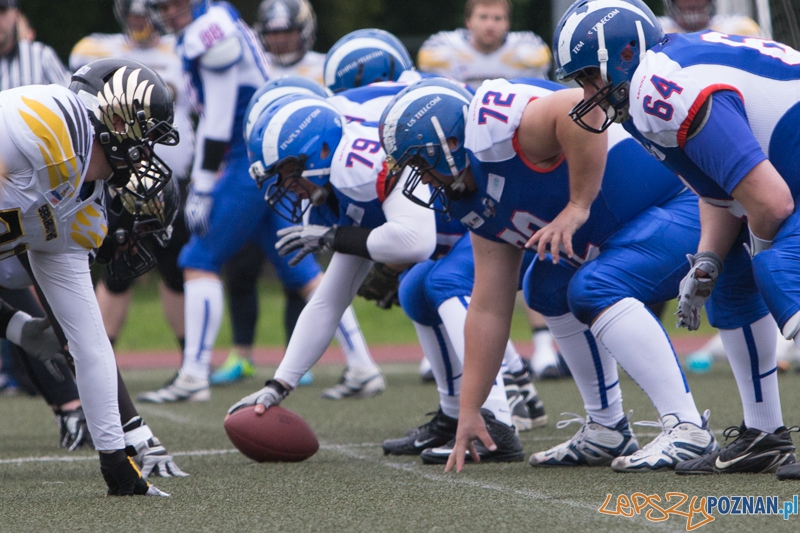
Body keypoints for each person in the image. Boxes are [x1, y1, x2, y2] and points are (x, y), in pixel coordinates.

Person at [380, 77, 728, 472]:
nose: (422, 179)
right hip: (629, 226)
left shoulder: (499, 133)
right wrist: (472, 408)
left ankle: (688, 428)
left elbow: (579, 107)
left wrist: (578, 205)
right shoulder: (471, 200)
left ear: (450, 144)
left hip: (688, 204)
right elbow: (488, 308)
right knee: (546, 287)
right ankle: (606, 428)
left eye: (419, 164)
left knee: (594, 286)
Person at [552, 0, 799, 477]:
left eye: (589, 76)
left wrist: (766, 257)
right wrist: (708, 258)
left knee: (779, 267)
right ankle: (764, 435)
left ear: (624, 54)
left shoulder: (657, 89)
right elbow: (721, 190)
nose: (586, 93)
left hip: (787, 188)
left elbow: (771, 205)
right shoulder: (647, 87)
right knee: (733, 274)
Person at [228, 92, 525, 461]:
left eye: (288, 173)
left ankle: (496, 420)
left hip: (500, 218)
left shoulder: (358, 166)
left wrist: (334, 237)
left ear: (320, 150)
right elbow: (328, 302)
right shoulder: (334, 191)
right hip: (468, 232)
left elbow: (415, 241)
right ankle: (453, 416)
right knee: (415, 289)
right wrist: (278, 385)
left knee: (443, 281)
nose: (287, 186)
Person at [141, 0, 385, 402]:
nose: (169, 11)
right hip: (258, 154)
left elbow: (219, 116)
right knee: (300, 268)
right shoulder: (214, 21)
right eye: (162, 4)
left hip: (248, 157)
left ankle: (193, 374)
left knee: (199, 259)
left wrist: (203, 182)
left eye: (176, 2)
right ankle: (363, 365)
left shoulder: (210, 31)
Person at [0, 56, 177, 495]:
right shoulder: (50, 119)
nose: (147, 155)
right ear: (116, 120)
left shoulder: (82, 215)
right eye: (146, 137)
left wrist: (118, 464)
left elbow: (91, 347)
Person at [70, 0, 193, 355]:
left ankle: (190, 357)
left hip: (171, 178)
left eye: (146, 15)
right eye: (134, 15)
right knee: (115, 259)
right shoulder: (98, 50)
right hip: (118, 176)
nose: (140, 23)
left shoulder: (183, 47)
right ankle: (95, 353)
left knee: (174, 263)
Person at [417, 0, 550, 90]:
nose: (490, 25)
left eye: (497, 18)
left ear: (507, 23)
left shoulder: (526, 47)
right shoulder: (444, 46)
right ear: (468, 21)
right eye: (483, 17)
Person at [256, 0, 323, 83]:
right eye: (275, 33)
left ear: (304, 31)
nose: (281, 39)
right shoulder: (257, 69)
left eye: (288, 32)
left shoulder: (322, 68)